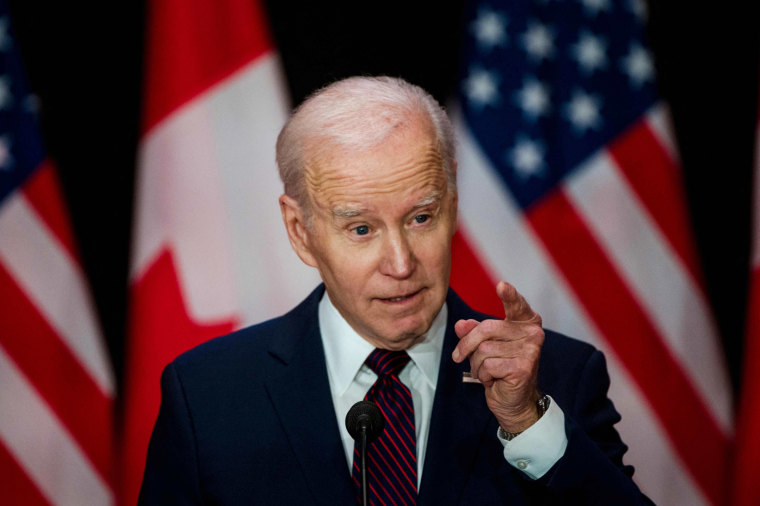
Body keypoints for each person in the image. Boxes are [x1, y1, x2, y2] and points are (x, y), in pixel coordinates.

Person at [138, 76, 652, 504]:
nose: (402, 263)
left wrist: (526, 423)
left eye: (421, 217)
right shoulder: (209, 396)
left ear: (451, 201)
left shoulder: (559, 378)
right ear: (300, 231)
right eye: (361, 229)